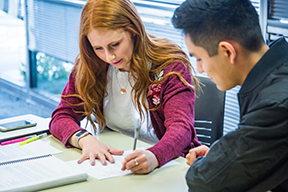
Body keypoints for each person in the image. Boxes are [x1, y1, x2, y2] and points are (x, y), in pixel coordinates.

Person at [49, 0, 201, 174]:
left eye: (115, 45)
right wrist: (84, 139)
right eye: (98, 48)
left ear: (134, 31)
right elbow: (62, 116)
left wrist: (154, 156)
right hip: (116, 163)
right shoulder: (91, 64)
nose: (109, 56)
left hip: (168, 164)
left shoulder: (170, 64)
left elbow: (181, 128)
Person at [172, 0, 288, 191]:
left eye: (199, 58)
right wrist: (224, 158)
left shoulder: (274, 105)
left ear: (227, 51)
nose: (199, 68)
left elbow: (206, 182)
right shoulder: (278, 68)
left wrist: (217, 163)